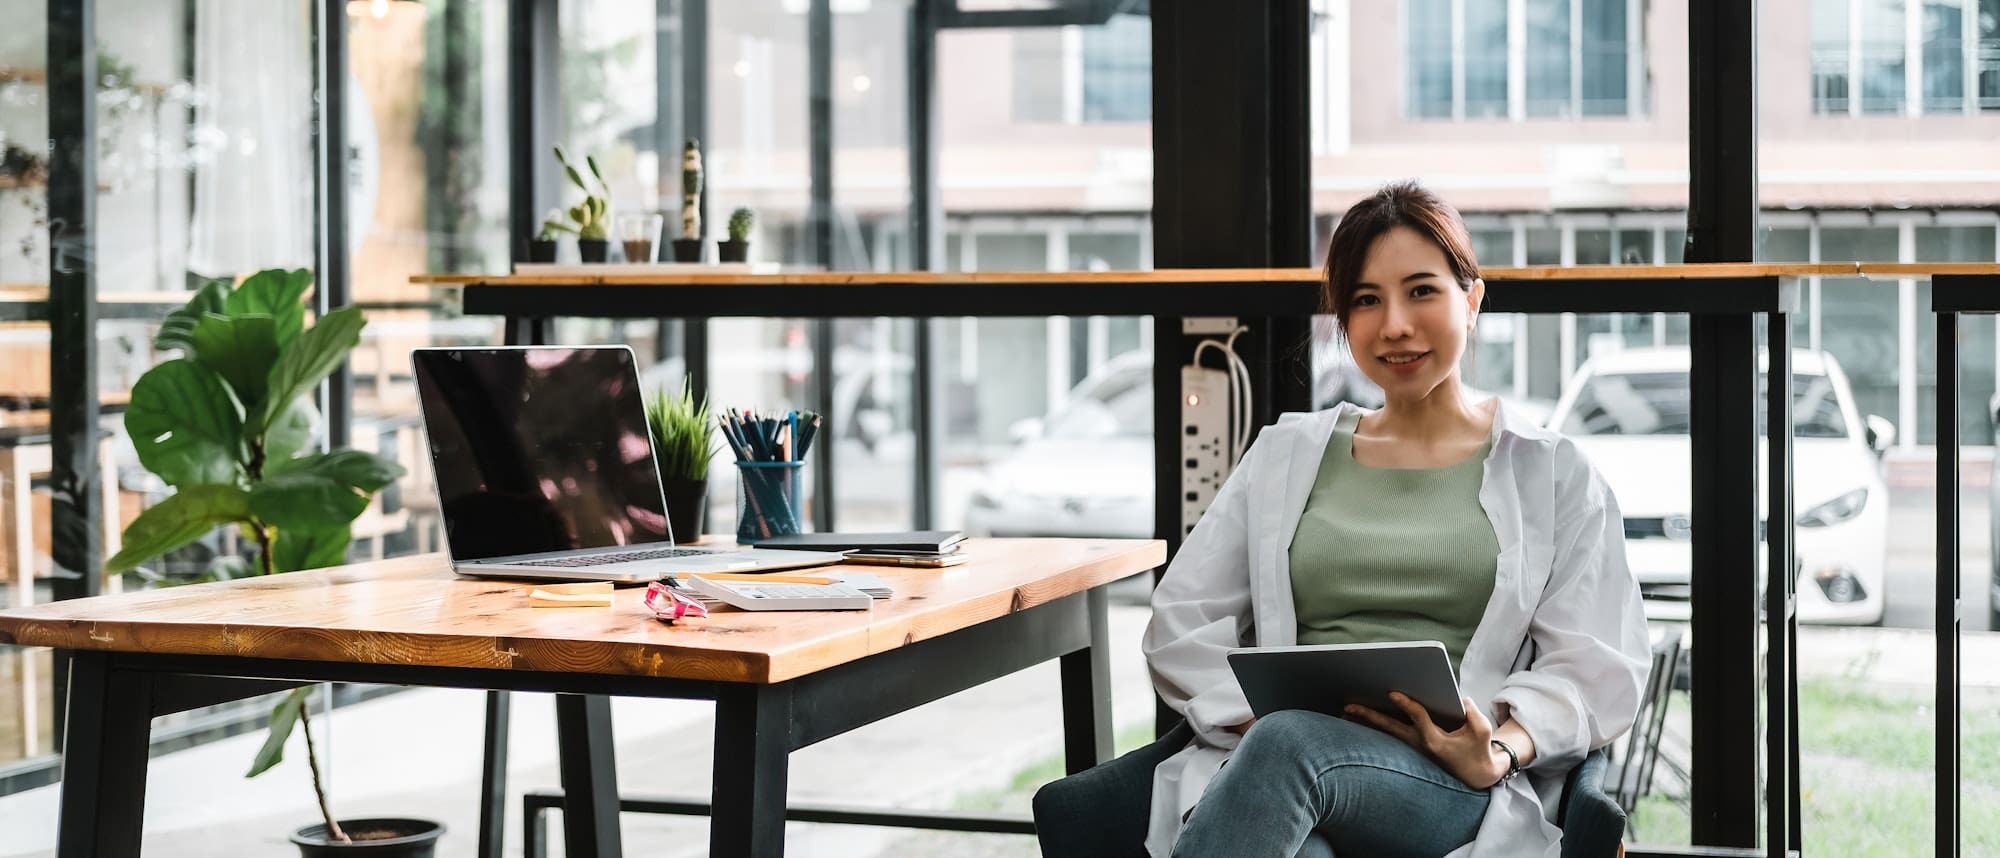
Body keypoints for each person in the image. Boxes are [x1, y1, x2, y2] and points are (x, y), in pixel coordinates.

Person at [1033, 182, 1649, 858]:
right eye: (1365, 300)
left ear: (1470, 300)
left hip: (1452, 785)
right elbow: (1181, 620)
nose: (1394, 325)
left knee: (1291, 747)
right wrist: (1258, 718)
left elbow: (1597, 663)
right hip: (1281, 769)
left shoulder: (1552, 471)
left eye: (1421, 291)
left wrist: (1500, 744)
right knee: (1302, 831)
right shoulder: (1287, 454)